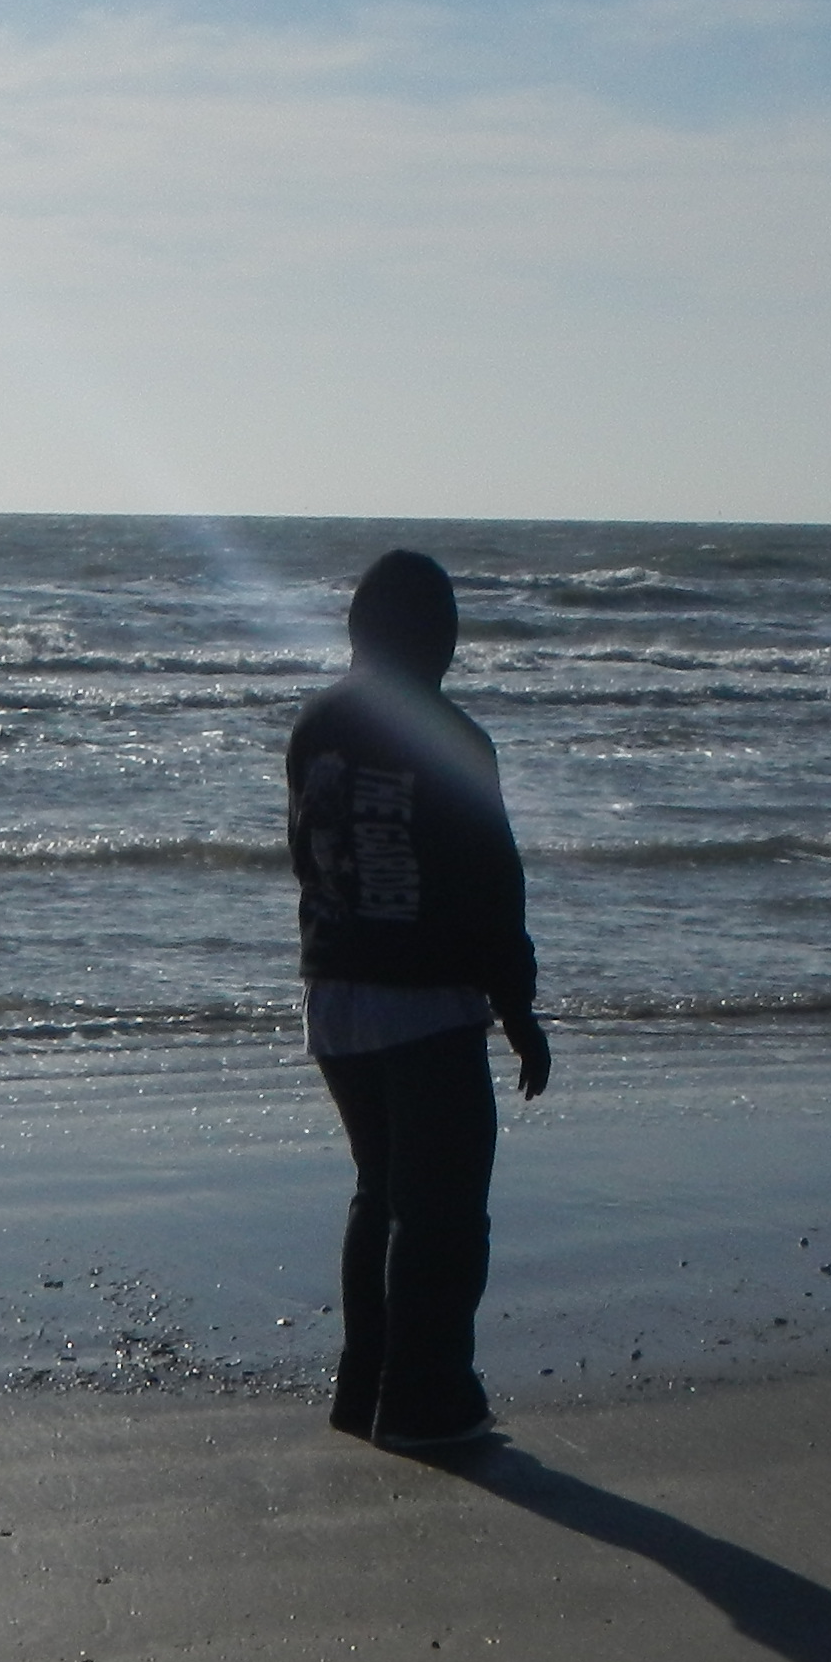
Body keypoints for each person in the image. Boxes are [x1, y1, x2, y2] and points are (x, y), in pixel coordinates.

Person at [287, 548, 551, 1455]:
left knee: (380, 1196)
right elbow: (491, 887)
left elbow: (310, 849)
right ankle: (427, 1400)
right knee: (441, 1214)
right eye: (447, 631)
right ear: (432, 639)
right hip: (424, 1000)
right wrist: (518, 1009)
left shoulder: (314, 725)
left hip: (334, 994)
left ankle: (365, 1390)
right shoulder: (452, 737)